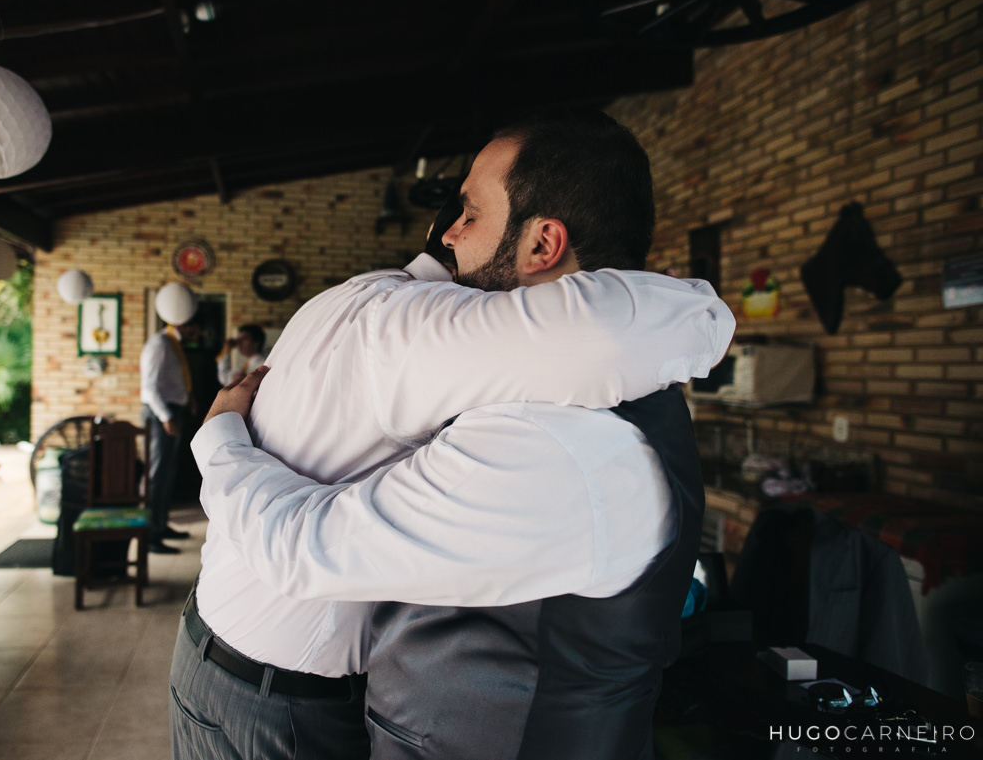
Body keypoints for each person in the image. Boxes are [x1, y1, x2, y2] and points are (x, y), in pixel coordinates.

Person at [170, 111, 735, 760]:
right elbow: (625, 328)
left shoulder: (556, 430)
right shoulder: (422, 325)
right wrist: (218, 441)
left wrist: (218, 437)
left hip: (248, 667)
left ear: (543, 244)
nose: (448, 231)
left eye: (469, 211)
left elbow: (609, 332)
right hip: (266, 691)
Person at [140, 283, 206, 554]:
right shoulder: (158, 344)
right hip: (160, 414)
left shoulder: (173, 344)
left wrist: (188, 398)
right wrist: (167, 416)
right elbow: (149, 388)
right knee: (157, 474)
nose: (198, 333)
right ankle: (150, 536)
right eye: (196, 328)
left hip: (172, 410)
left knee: (167, 473)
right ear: (187, 323)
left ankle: (161, 523)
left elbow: (172, 381)